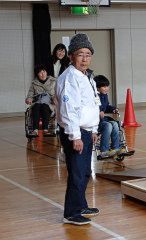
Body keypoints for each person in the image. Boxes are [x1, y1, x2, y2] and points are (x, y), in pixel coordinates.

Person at [55, 33, 100, 225]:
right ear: (71, 56)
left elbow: (93, 105)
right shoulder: (69, 77)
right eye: (80, 54)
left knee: (85, 172)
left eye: (88, 54)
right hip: (76, 132)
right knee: (77, 172)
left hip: (87, 131)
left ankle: (80, 204)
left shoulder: (87, 77)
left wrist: (94, 130)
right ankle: (71, 212)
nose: (84, 58)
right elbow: (69, 110)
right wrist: (75, 136)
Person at [94, 75, 125, 158]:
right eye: (104, 86)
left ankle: (116, 148)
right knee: (108, 125)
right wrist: (98, 111)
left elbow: (107, 106)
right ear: (97, 88)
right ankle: (104, 151)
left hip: (103, 120)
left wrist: (113, 109)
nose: (107, 88)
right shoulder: (94, 96)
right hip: (95, 123)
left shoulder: (104, 95)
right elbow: (91, 108)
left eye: (107, 86)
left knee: (114, 124)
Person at [25, 64, 56, 136]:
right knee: (36, 106)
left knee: (44, 106)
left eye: (44, 71)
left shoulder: (53, 81)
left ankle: (45, 129)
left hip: (50, 104)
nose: (43, 74)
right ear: (37, 74)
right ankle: (35, 130)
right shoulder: (34, 84)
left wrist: (56, 98)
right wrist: (29, 98)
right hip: (37, 103)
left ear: (46, 72)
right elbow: (30, 94)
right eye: (40, 72)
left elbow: (58, 93)